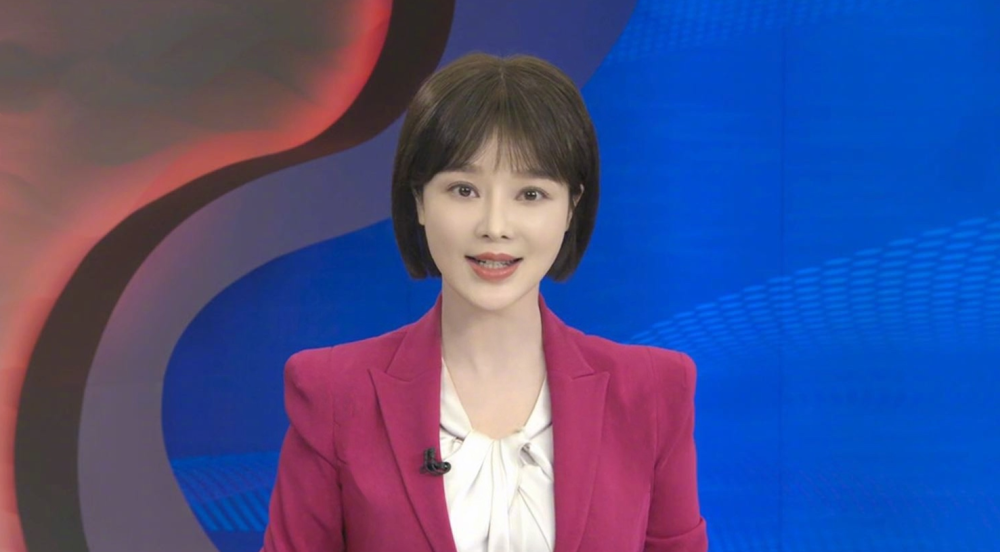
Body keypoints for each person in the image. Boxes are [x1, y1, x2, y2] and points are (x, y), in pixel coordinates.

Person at [261, 52, 707, 552]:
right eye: (464, 189)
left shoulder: (652, 393)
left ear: (571, 207)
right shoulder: (332, 393)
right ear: (419, 200)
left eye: (530, 194)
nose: (495, 226)